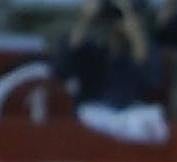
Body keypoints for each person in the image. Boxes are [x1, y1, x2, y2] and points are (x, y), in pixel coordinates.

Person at [55, 0, 170, 144]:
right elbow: (62, 68)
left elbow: (152, 80)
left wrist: (134, 30)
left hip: (129, 114)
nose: (116, 23)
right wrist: (85, 19)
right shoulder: (90, 50)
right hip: (93, 116)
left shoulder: (142, 51)